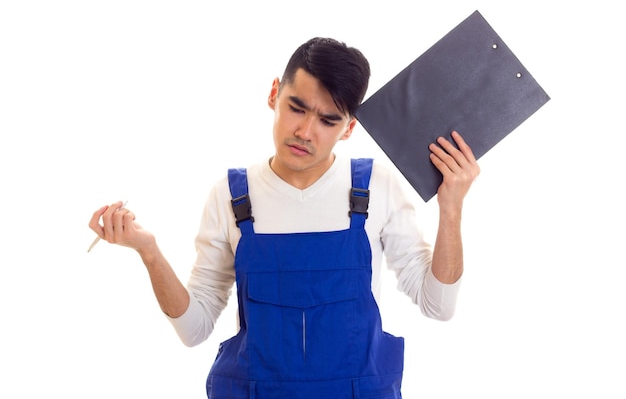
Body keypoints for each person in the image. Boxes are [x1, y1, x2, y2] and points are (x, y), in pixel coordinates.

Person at [89, 37, 480, 399]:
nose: (305, 132)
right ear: (274, 93)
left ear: (349, 129)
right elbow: (195, 330)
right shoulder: (230, 196)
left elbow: (438, 305)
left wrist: (451, 207)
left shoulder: (375, 187)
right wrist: (150, 252)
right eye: (297, 107)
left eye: (328, 121)